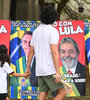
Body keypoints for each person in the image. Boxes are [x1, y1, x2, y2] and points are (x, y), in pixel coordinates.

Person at [26, 6, 66, 100]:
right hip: (50, 70)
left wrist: (28, 68)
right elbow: (54, 52)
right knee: (62, 92)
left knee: (43, 94)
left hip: (39, 70)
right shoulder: (53, 31)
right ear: (54, 17)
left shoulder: (36, 31)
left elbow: (31, 51)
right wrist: (57, 72)